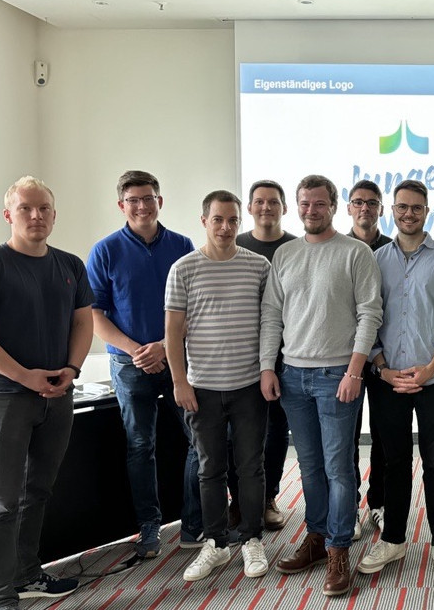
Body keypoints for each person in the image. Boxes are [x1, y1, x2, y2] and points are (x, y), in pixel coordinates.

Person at [261, 175, 382, 597]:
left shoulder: (356, 254)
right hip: (292, 375)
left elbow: (370, 314)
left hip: (337, 376)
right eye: (304, 204)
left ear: (335, 206)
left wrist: (354, 372)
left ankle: (338, 547)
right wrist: (267, 368)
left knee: (338, 468)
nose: (311, 211)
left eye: (319, 204)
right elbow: (272, 316)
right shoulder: (286, 255)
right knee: (309, 466)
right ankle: (316, 537)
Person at [86, 170, 202, 557]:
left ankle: (193, 524)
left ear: (160, 202)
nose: (141, 205)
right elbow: (95, 315)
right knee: (140, 446)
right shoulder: (105, 251)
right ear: (122, 205)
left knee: (197, 439)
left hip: (176, 363)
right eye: (133, 200)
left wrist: (162, 347)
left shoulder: (183, 245)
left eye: (148, 197)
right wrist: (139, 350)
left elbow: (193, 309)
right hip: (128, 365)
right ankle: (149, 529)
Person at [357, 180, 434, 580]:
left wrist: (432, 367)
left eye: (416, 208)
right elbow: (367, 316)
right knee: (395, 462)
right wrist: (382, 367)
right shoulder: (375, 259)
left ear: (426, 211)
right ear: (392, 210)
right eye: (402, 207)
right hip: (388, 379)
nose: (409, 214)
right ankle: (394, 540)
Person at [0, 176, 93, 608]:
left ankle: (27, 573)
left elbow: (82, 322)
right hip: (6, 397)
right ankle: (2, 594)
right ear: (8, 215)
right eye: (25, 209)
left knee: (39, 491)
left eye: (44, 209)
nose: (35, 216)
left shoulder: (71, 265)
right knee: (3, 499)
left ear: (54, 214)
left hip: (58, 395)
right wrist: (25, 376)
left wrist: (72, 369)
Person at [166, 190, 271, 582]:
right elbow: (172, 332)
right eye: (217, 220)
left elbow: (268, 325)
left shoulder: (258, 266)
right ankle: (216, 543)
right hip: (202, 388)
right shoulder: (183, 269)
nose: (225, 227)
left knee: (250, 467)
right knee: (210, 470)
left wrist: (265, 371)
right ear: (204, 221)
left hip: (247, 387)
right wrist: (180, 381)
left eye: (232, 220)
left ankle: (251, 539)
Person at [228, 179, 296, 532]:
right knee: (235, 432)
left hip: (285, 356)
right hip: (238, 354)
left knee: (275, 430)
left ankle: (268, 496)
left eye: (273, 202)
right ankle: (238, 499)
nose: (266, 207)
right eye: (259, 202)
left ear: (284, 208)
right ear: (249, 209)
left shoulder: (297, 247)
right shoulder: (234, 245)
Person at [346, 179, 391, 535]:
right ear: (349, 208)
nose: (365, 208)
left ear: (380, 209)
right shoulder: (337, 247)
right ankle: (348, 506)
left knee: (382, 435)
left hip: (383, 362)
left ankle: (378, 503)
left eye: (371, 203)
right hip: (342, 361)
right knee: (344, 437)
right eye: (358, 202)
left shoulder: (392, 249)